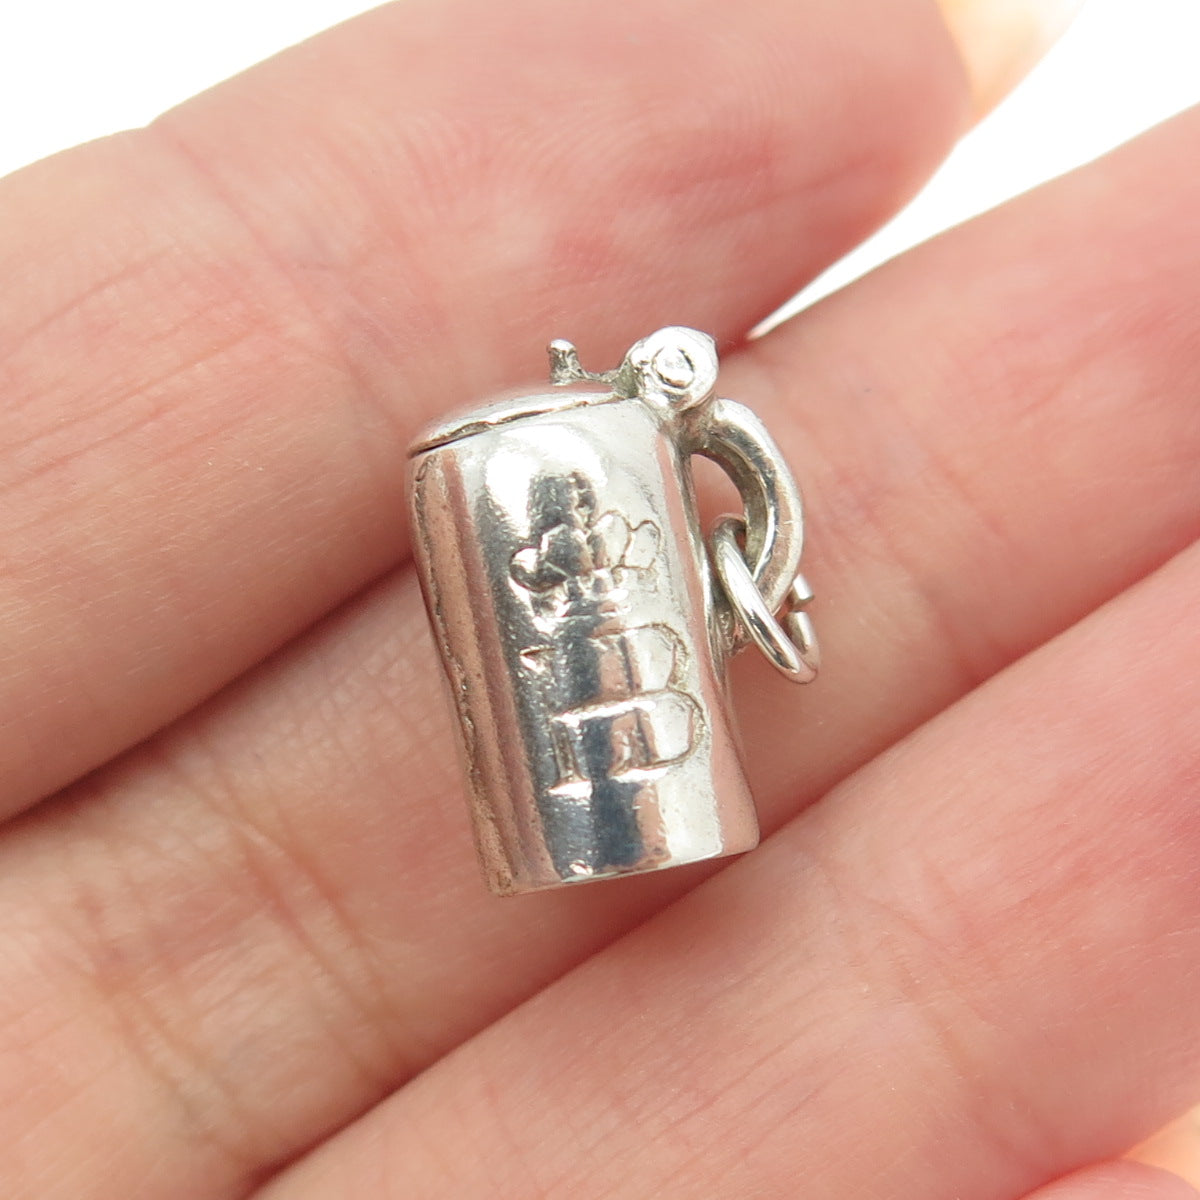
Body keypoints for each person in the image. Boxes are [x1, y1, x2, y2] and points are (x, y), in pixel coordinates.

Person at [0, 1, 1197, 1197]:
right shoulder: (517, 453)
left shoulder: (605, 433)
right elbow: (732, 464)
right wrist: (741, 595)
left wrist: (739, 597)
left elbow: (739, 460)